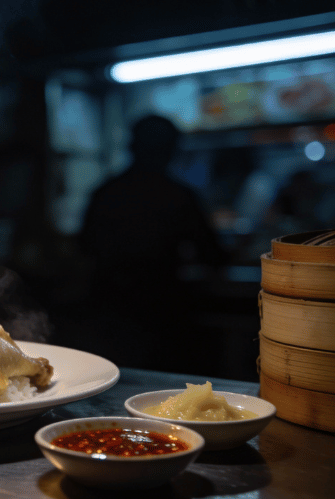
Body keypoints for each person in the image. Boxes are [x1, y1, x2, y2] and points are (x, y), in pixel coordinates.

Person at [78, 115, 227, 371]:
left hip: (109, 309)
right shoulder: (179, 196)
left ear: (132, 147)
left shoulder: (105, 192)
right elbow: (211, 254)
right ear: (171, 151)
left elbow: (84, 247)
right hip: (161, 310)